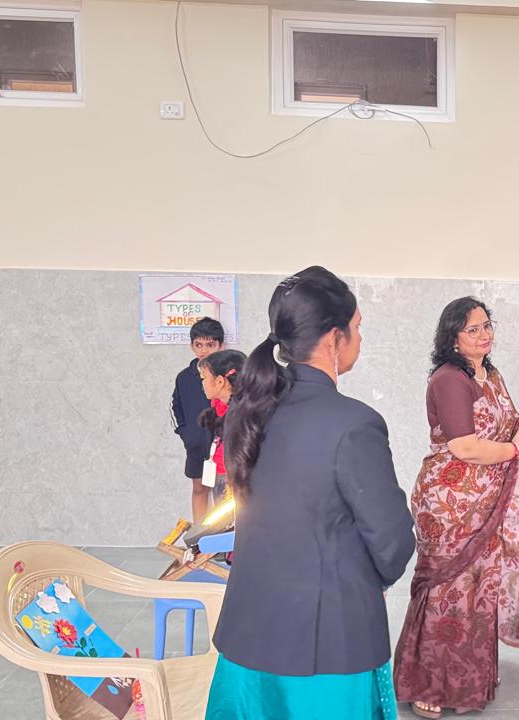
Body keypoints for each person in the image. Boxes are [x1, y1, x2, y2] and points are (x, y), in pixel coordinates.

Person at [208, 267, 416, 719]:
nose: (360, 338)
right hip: (327, 646)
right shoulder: (354, 423)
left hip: (250, 631)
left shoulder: (248, 410)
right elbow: (392, 542)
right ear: (334, 338)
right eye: (358, 327)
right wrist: (371, 579)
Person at [394, 297, 519, 719]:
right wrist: (514, 450)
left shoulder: (490, 374)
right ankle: (429, 683)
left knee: (479, 587)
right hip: (451, 504)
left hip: (487, 498)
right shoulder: (449, 379)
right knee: (446, 591)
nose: (485, 334)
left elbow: (512, 424)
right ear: (453, 337)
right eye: (473, 329)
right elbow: (465, 447)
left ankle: (471, 678)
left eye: (488, 325)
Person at [171, 316, 223, 523]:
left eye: (210, 345)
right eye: (199, 345)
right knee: (199, 488)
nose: (204, 350)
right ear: (192, 346)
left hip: (223, 447)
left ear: (220, 345)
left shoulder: (229, 375)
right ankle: (200, 537)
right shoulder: (184, 377)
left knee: (224, 493)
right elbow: (175, 408)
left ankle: (226, 538)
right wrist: (187, 435)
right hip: (197, 446)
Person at [197, 348, 246, 506]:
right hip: (220, 472)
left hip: (236, 480)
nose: (202, 383)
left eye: (203, 378)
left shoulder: (244, 415)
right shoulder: (218, 407)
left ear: (219, 381)